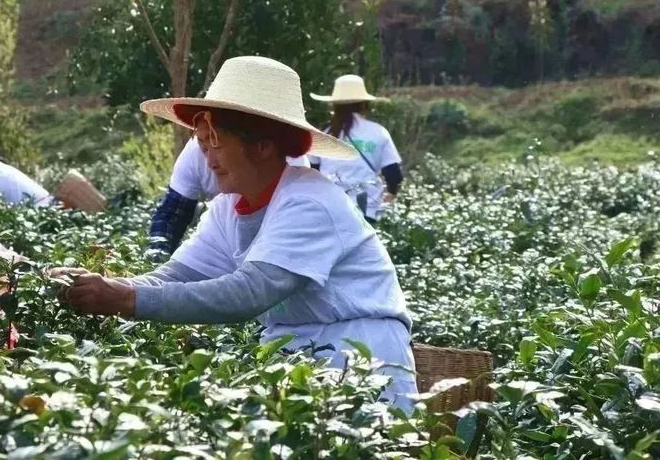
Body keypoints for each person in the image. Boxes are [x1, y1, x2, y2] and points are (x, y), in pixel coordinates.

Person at [50, 56, 417, 408]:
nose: (208, 157)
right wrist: (106, 286)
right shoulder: (228, 207)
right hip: (299, 360)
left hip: (363, 363)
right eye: (202, 142)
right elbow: (176, 274)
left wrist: (125, 300)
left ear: (262, 146)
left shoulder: (310, 201)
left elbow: (249, 292)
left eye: (217, 142)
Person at [149, 137, 309, 255]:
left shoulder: (296, 182)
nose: (210, 162)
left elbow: (261, 281)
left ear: (263, 147)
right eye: (204, 147)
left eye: (218, 145)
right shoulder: (222, 210)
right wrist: (156, 258)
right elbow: (171, 216)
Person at [309, 75, 404, 225]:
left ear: (334, 105)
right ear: (363, 105)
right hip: (367, 209)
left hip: (328, 210)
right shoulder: (378, 132)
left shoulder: (324, 133)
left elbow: (312, 170)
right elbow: (394, 174)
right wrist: (391, 193)